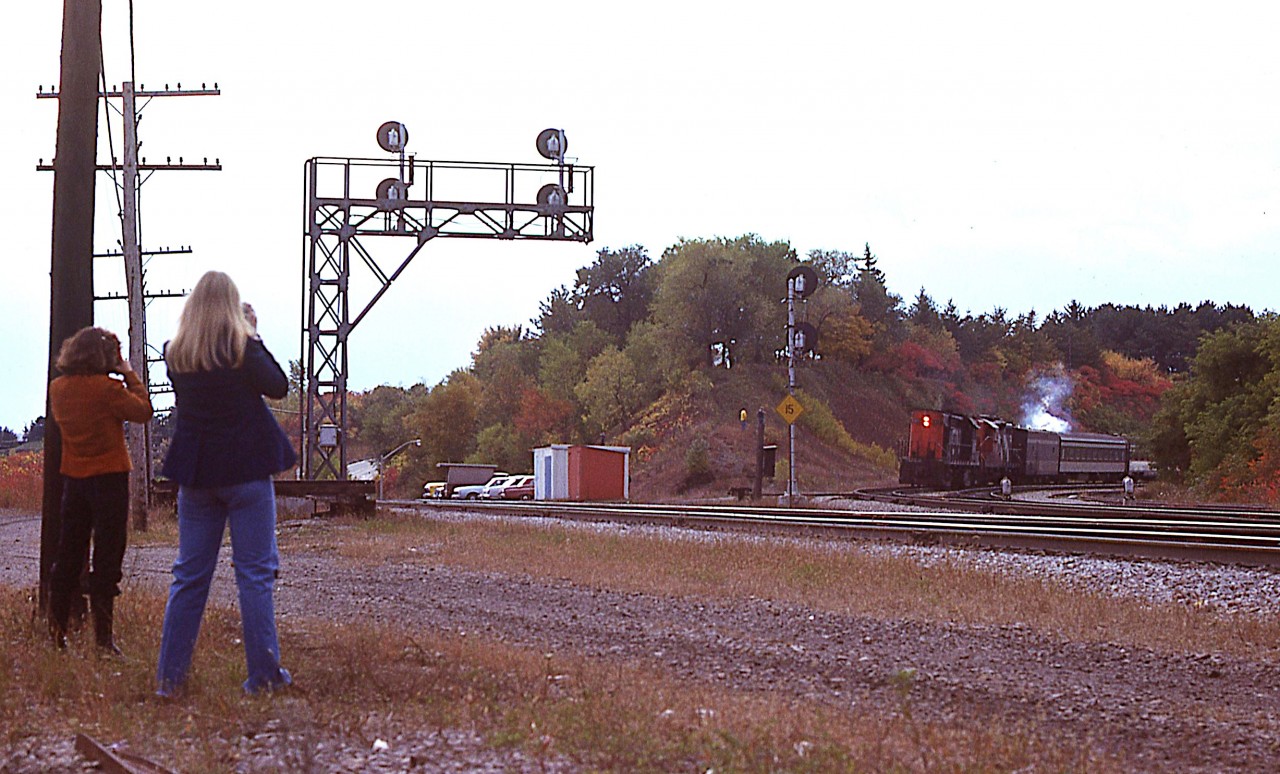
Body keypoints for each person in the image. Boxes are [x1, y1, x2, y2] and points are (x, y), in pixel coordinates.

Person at [155, 271, 297, 696]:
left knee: (189, 577)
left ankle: (169, 680)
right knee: (253, 575)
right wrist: (252, 334)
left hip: (197, 475)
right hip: (246, 472)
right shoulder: (241, 349)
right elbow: (278, 385)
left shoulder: (175, 353)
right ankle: (264, 677)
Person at [48, 327, 154, 652]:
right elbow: (144, 412)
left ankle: (57, 634)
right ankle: (103, 641)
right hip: (108, 480)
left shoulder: (58, 388)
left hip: (74, 479)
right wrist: (130, 374)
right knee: (107, 558)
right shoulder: (108, 389)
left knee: (68, 555)